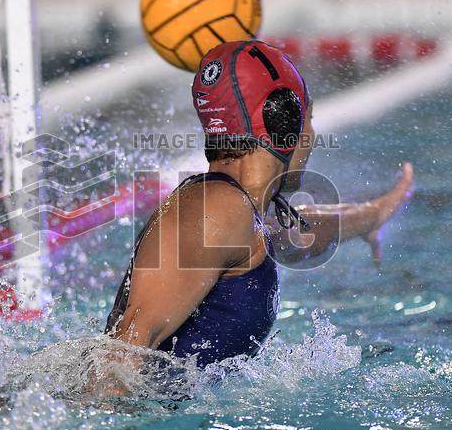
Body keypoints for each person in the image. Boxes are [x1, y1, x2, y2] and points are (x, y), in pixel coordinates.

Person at [100, 40, 413, 390]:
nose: (311, 135)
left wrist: (370, 217)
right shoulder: (216, 211)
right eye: (308, 120)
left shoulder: (239, 211)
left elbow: (302, 232)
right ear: (283, 121)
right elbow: (122, 358)